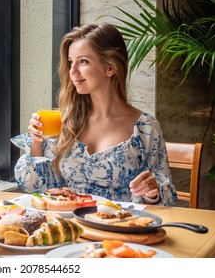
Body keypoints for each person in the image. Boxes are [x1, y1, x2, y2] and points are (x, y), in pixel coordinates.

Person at [11, 22, 177, 206]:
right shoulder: (65, 122)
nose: (72, 71)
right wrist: (37, 141)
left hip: (119, 227)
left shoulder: (145, 127)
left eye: (83, 61)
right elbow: (35, 186)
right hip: (70, 227)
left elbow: (166, 198)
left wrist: (150, 193)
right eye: (70, 62)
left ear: (110, 68)